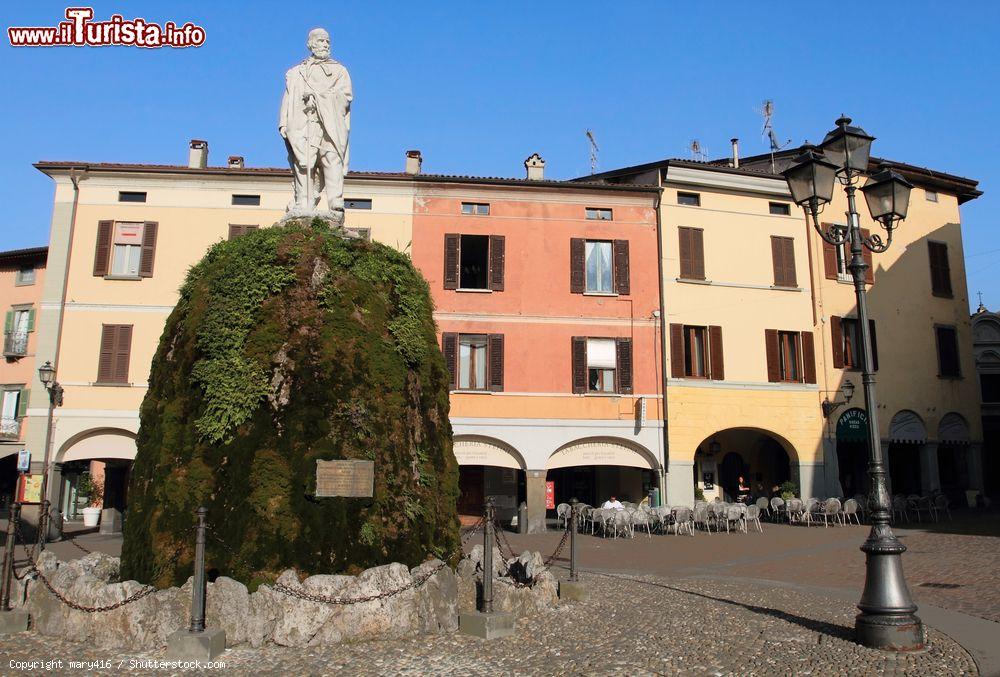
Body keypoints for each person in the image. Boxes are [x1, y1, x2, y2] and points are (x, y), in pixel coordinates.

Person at [279, 28, 353, 213]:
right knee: (303, 162)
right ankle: (304, 202)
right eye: (321, 41)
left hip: (330, 123)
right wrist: (283, 122)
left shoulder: (340, 71)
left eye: (327, 41)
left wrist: (319, 97)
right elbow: (287, 98)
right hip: (303, 123)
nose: (325, 45)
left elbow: (346, 97)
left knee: (331, 159)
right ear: (310, 43)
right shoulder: (296, 72)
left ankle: (335, 201)